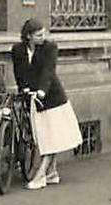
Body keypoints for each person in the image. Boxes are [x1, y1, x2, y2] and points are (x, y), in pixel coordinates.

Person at [11, 19, 80, 189]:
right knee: (44, 137)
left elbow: (48, 71)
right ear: (28, 36)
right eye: (39, 35)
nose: (43, 37)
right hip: (32, 98)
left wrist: (42, 91)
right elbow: (18, 72)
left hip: (52, 98)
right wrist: (24, 89)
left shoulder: (50, 48)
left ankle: (40, 176)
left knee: (51, 138)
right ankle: (52, 173)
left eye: (44, 34)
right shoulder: (18, 50)